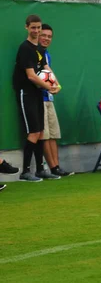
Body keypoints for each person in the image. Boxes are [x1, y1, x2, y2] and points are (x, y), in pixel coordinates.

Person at [13, 15, 61, 182]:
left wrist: (56, 84)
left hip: (37, 94)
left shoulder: (38, 49)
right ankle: (25, 172)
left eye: (38, 28)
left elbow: (46, 68)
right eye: (33, 27)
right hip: (25, 93)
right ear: (27, 27)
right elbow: (31, 76)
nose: (36, 31)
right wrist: (49, 87)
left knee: (40, 132)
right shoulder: (25, 48)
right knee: (33, 132)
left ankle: (40, 169)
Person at [38, 24, 73, 177]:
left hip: (49, 97)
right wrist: (49, 86)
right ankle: (51, 167)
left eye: (49, 36)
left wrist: (55, 86)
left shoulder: (47, 54)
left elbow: (49, 74)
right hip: (38, 98)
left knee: (53, 133)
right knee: (44, 135)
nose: (46, 39)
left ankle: (57, 166)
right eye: (43, 35)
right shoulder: (32, 53)